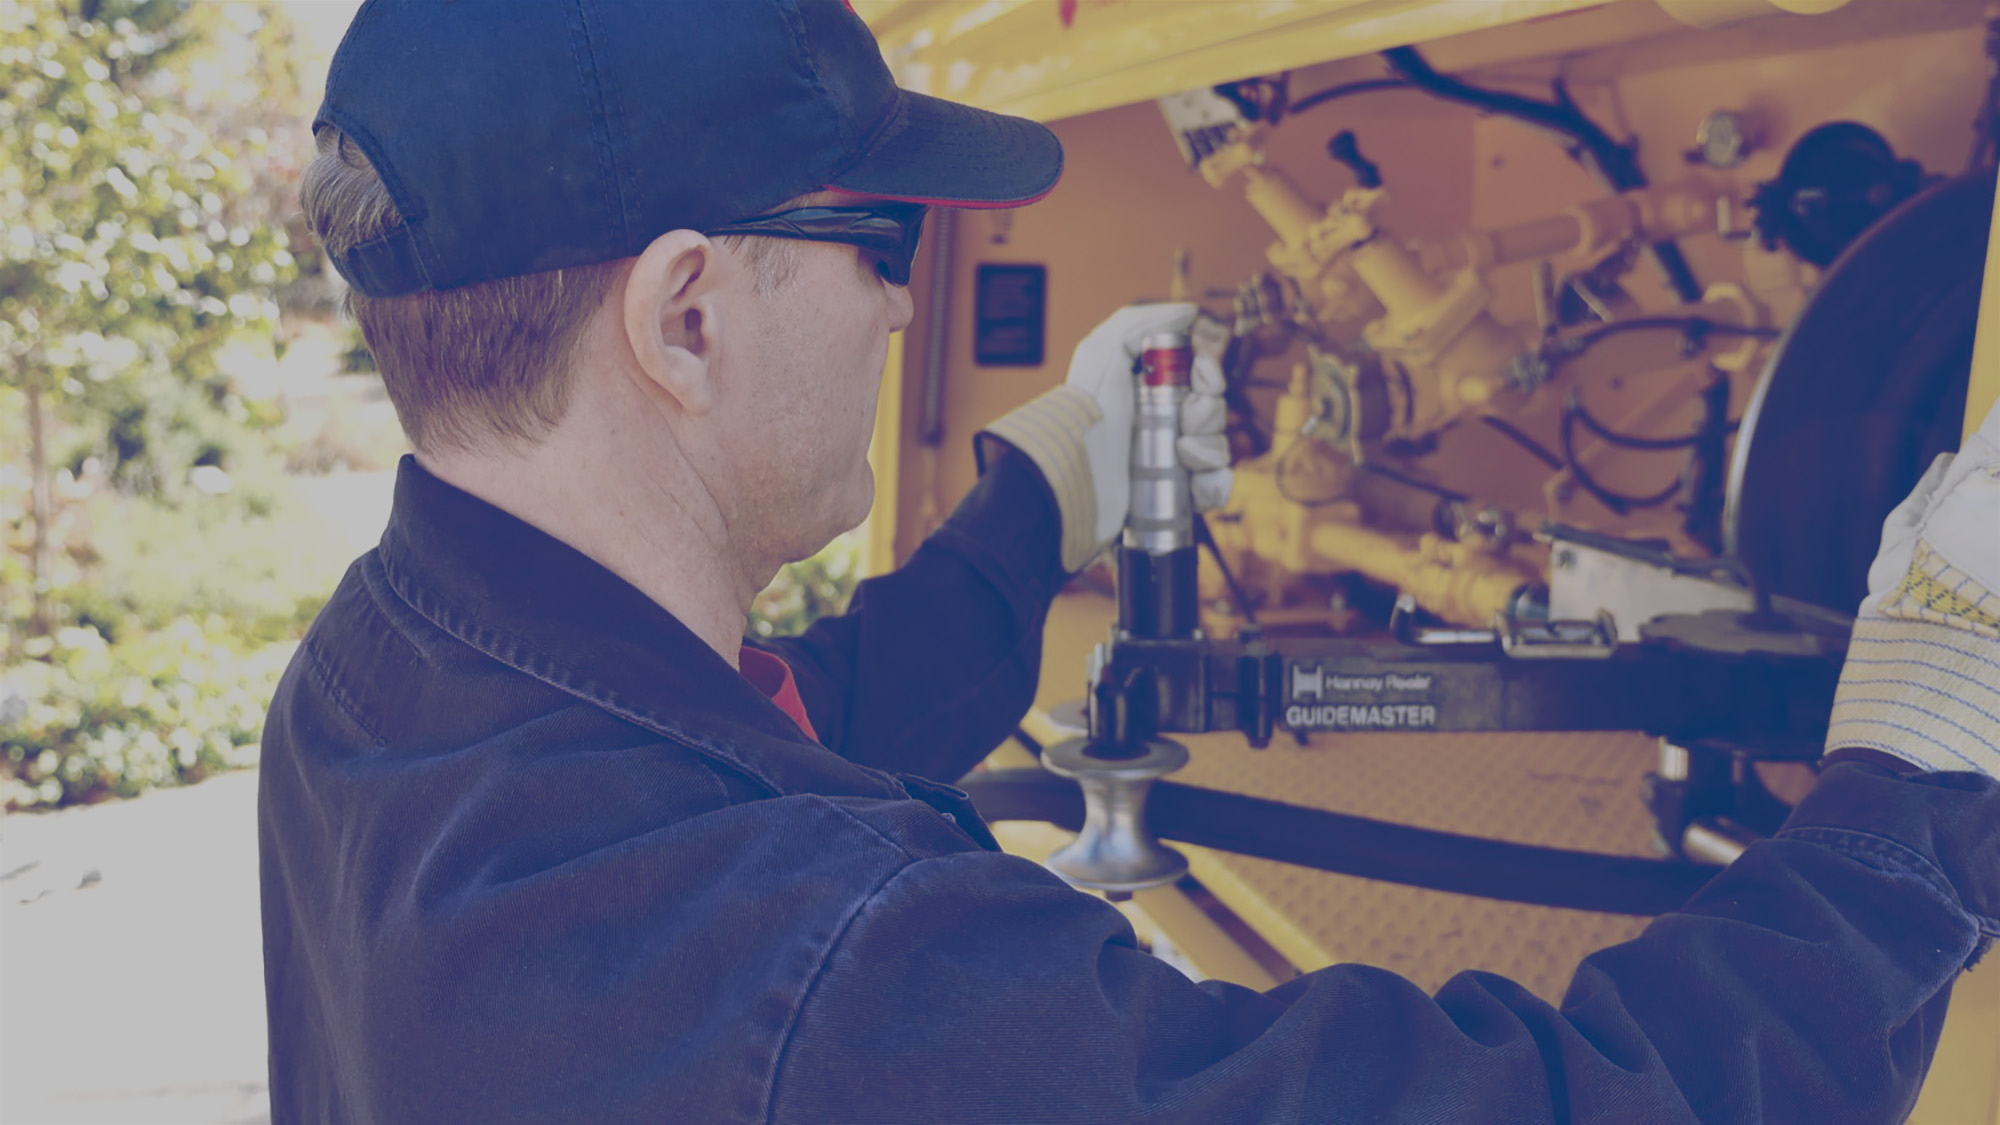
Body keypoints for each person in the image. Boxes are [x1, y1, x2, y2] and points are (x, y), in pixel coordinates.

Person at [259, 1, 2000, 1121]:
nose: (899, 296)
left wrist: (1041, 486)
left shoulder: (383, 680)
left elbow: (778, 743)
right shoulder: (833, 981)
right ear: (687, 316)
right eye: (882, 242)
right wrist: (1911, 785)